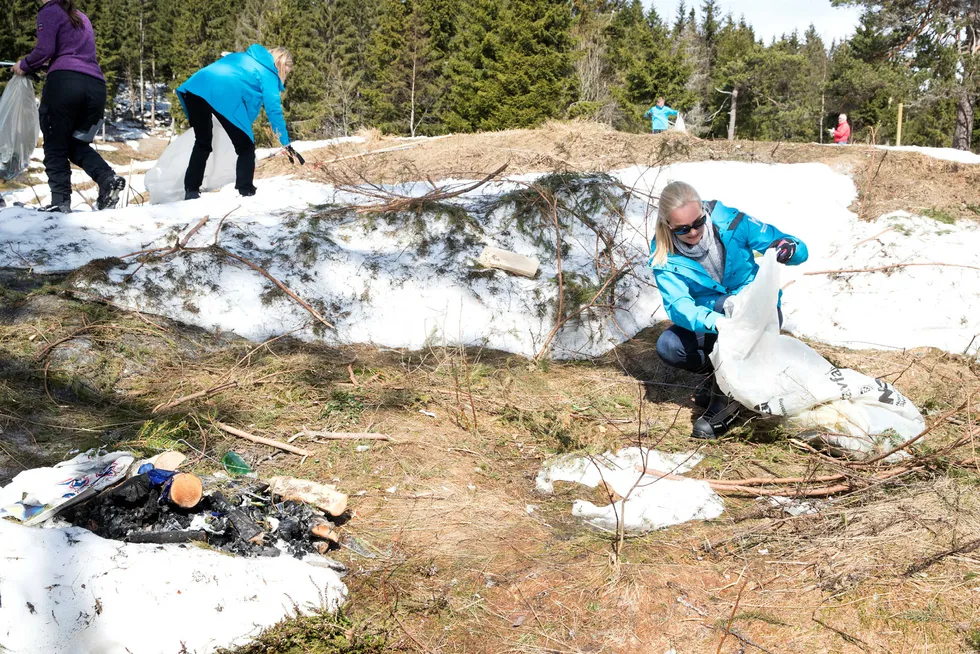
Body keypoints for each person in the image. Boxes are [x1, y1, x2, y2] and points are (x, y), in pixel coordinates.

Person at [648, 181, 808, 440]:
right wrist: (716, 321)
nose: (693, 232)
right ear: (668, 225)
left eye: (698, 223)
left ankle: (724, 403)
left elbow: (796, 247)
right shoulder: (664, 253)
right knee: (670, 346)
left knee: (731, 310)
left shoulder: (733, 222)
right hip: (715, 319)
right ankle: (720, 380)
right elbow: (679, 306)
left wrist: (789, 248)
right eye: (682, 229)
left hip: (757, 310)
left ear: (703, 211)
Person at [12, 0, 126, 213]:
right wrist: (43, 65)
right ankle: (107, 179)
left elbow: (45, 49)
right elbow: (70, 53)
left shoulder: (49, 10)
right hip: (96, 88)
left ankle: (60, 202)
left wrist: (24, 65)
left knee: (55, 143)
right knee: (75, 144)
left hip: (65, 85)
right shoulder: (80, 16)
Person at [176, 45, 298, 200]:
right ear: (280, 66)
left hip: (194, 89)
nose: (284, 76)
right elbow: (274, 111)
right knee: (246, 146)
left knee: (203, 142)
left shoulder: (242, 57)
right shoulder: (268, 73)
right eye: (285, 72)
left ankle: (191, 190)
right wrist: (285, 142)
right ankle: (246, 190)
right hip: (221, 95)